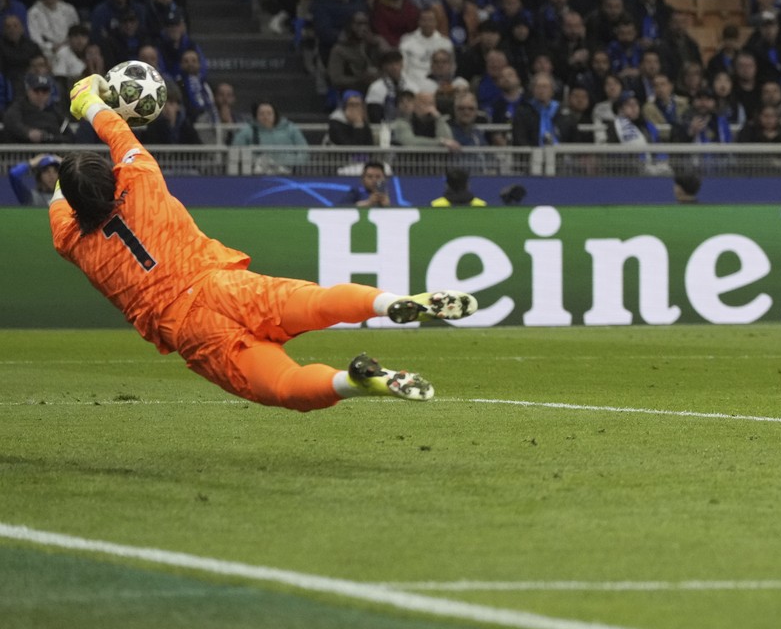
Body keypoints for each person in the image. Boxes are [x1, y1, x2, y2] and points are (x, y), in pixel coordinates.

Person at [52, 76, 478, 411]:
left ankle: (354, 382)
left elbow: (60, 205)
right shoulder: (140, 178)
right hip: (222, 286)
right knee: (318, 302)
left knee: (284, 386)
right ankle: (393, 303)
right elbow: (116, 132)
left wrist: (67, 173)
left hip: (191, 328)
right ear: (112, 177)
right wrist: (88, 100)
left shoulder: (74, 243)